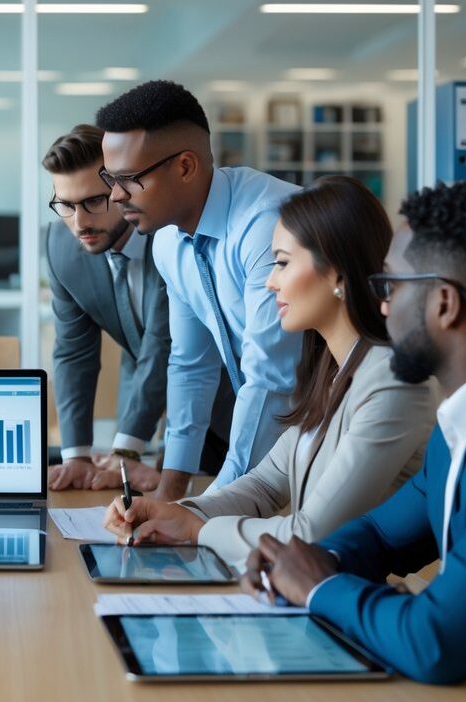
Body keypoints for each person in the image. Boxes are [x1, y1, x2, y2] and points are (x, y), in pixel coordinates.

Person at [240, 182, 466, 701]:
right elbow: (383, 533)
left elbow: (435, 641)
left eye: (391, 287)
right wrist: (305, 560)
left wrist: (318, 586)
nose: (380, 307)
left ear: (444, 303)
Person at [103, 176, 435, 568]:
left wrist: (194, 530)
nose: (269, 281)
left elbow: (311, 534)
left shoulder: (392, 383)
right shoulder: (332, 371)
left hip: (352, 600)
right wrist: (177, 512)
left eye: (282, 263)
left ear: (338, 274)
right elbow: (264, 483)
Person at [96, 80, 303, 500]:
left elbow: (270, 379)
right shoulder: (170, 242)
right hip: (288, 443)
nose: (114, 195)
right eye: (109, 177)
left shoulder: (268, 226)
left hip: (347, 427)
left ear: (185, 167)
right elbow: (191, 364)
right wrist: (169, 494)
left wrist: (204, 510)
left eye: (128, 179)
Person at [41, 124, 169, 493]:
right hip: (144, 388)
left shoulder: (167, 233)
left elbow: (164, 343)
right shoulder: (61, 247)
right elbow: (73, 352)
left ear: (121, 188)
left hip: (223, 397)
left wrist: (126, 450)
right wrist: (76, 456)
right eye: (65, 205)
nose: (79, 223)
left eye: (93, 202)